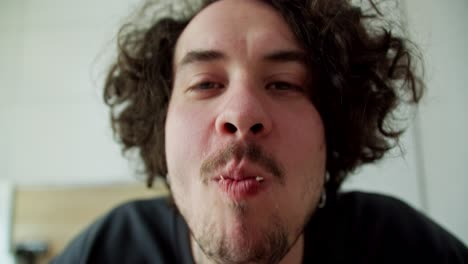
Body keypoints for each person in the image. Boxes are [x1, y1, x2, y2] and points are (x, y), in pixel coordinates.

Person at [53, 0, 468, 263]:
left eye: (284, 83)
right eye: (205, 84)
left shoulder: (400, 245)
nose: (241, 113)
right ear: (159, 126)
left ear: (332, 130)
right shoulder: (106, 249)